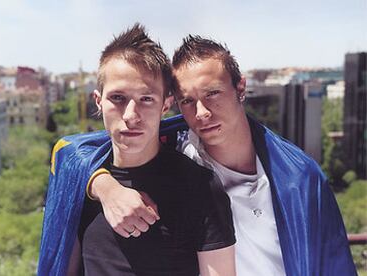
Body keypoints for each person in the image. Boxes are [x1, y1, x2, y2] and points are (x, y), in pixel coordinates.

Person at [88, 35, 357, 275]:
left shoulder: (298, 177)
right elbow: (73, 150)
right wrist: (105, 186)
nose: (202, 112)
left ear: (240, 89)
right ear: (174, 104)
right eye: (188, 101)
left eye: (213, 93)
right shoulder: (176, 152)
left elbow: (335, 264)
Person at [38, 24, 236, 276]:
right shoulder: (76, 182)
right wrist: (103, 188)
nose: (131, 116)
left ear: (166, 105)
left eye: (146, 99)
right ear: (98, 102)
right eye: (118, 98)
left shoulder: (199, 185)